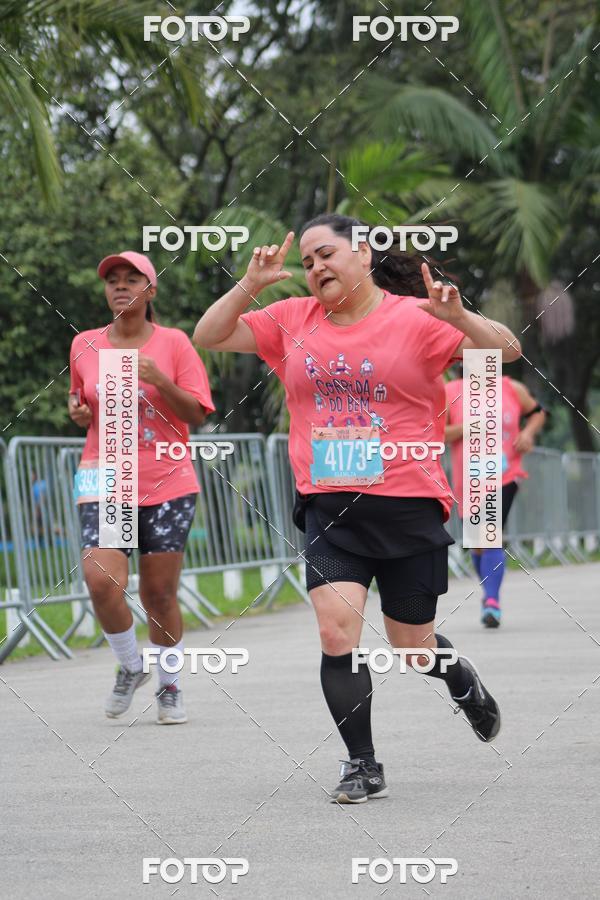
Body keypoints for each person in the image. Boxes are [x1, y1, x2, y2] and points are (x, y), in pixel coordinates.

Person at [193, 213, 521, 803]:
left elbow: (509, 348)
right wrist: (251, 283)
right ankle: (361, 764)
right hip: (330, 508)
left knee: (412, 648)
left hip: (409, 504)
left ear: (364, 254)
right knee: (335, 630)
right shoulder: (292, 318)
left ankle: (458, 676)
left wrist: (459, 317)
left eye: (328, 254)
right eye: (309, 260)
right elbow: (209, 336)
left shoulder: (416, 317)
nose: (317, 267)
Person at [69, 250, 215, 724]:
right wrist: (79, 413)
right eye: (112, 280)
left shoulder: (174, 343)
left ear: (151, 292)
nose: (120, 286)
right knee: (100, 580)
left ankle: (169, 686)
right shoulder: (85, 344)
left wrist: (160, 381)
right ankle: (132, 666)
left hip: (167, 479)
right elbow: (81, 398)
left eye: (133, 279)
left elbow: (196, 413)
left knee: (159, 595)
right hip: (107, 477)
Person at [444, 369, 546, 627]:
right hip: (469, 478)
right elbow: (436, 432)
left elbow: (537, 413)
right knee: (479, 543)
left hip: (505, 474)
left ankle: (492, 601)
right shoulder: (451, 391)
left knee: (490, 532)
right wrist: (468, 427)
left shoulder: (512, 388)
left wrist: (528, 433)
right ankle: (489, 592)